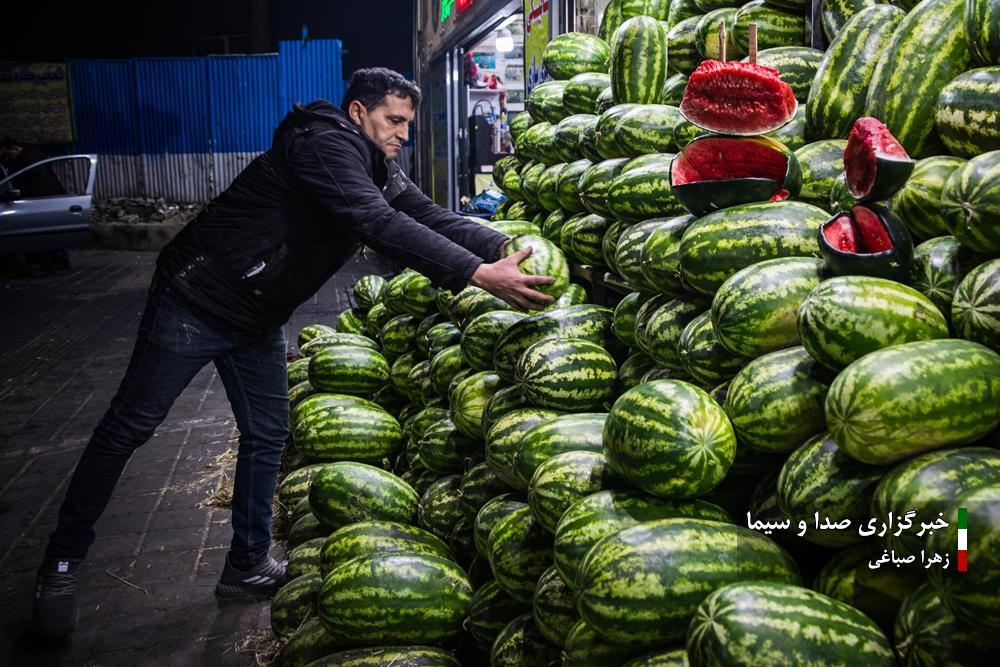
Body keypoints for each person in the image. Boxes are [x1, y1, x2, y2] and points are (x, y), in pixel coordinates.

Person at [31, 67, 555, 638]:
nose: (402, 133)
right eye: (394, 120)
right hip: (196, 300)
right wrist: (477, 274)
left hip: (256, 315)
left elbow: (425, 214)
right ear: (359, 113)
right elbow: (374, 221)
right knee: (128, 428)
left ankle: (247, 564)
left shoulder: (374, 164)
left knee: (267, 435)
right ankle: (60, 564)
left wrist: (500, 243)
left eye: (407, 123)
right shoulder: (324, 145)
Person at [0, 137, 71, 273]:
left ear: (14, 148)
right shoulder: (33, 154)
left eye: (9, 154)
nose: (10, 157)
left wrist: (30, 200)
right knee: (49, 231)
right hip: (48, 198)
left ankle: (58, 259)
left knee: (49, 231)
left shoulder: (27, 159)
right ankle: (55, 259)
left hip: (43, 200)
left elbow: (37, 182)